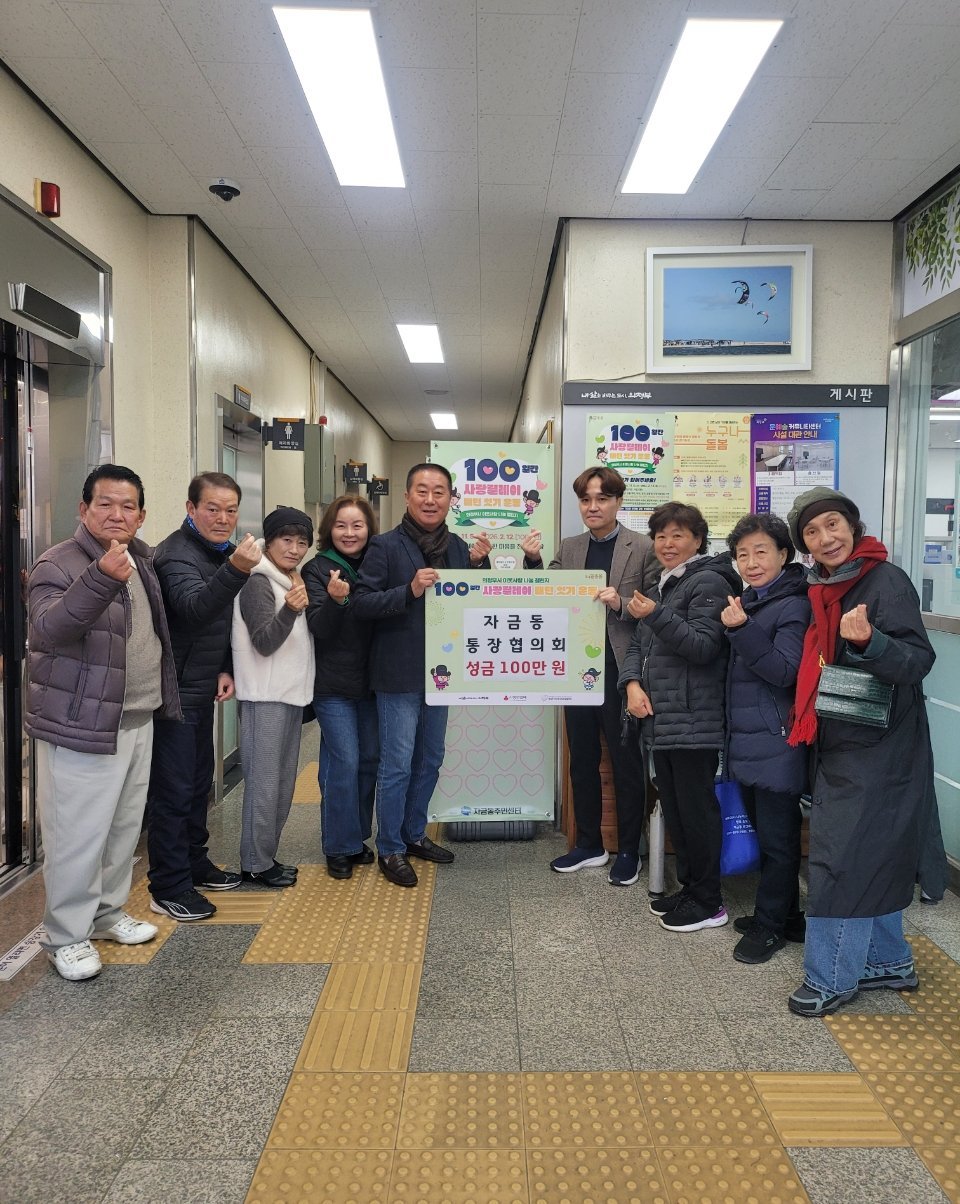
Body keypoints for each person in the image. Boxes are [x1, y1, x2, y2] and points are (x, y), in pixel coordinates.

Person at [784, 487, 945, 1016]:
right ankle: (887, 961)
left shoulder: (885, 581)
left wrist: (870, 642)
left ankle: (830, 977)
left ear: (853, 526)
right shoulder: (824, 587)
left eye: (832, 524)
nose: (825, 538)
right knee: (872, 851)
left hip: (879, 744)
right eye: (812, 532)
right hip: (846, 738)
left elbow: (917, 661)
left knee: (843, 856)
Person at [25, 465, 180, 980]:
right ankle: (65, 936)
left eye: (127, 506)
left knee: (121, 830)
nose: (117, 514)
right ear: (83, 509)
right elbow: (48, 629)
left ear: (141, 514)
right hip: (81, 724)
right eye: (105, 504)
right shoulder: (59, 562)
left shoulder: (142, 558)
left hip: (135, 715)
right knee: (76, 836)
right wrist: (99, 579)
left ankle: (106, 914)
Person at [352, 464, 491, 887]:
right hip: (398, 673)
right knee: (397, 764)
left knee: (430, 758)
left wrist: (480, 566)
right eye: (423, 491)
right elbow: (361, 603)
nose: (431, 500)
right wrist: (408, 591)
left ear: (451, 498)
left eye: (439, 492)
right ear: (407, 496)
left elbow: (474, 603)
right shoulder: (384, 546)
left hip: (443, 675)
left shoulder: (458, 547)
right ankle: (390, 847)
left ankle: (414, 834)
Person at [523, 466, 658, 886]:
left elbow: (656, 606)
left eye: (602, 498)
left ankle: (630, 851)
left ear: (618, 501)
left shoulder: (643, 547)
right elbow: (545, 596)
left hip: (621, 670)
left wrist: (621, 602)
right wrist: (533, 562)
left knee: (625, 761)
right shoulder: (571, 547)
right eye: (586, 500)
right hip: (576, 669)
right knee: (581, 758)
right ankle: (588, 844)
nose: (593, 507)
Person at [619, 501, 741, 932]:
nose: (667, 544)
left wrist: (656, 614)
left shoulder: (708, 581)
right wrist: (632, 685)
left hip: (695, 719)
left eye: (678, 536)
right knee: (677, 808)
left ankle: (709, 902)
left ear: (698, 540)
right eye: (661, 536)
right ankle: (691, 889)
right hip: (663, 718)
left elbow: (704, 647)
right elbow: (637, 646)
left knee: (697, 811)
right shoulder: (663, 585)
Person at [147, 471, 261, 921]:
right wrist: (237, 570)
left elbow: (220, 622)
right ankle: (168, 884)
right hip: (174, 692)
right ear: (191, 509)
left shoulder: (217, 552)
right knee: (174, 790)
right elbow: (195, 608)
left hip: (199, 684)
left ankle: (194, 862)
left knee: (197, 784)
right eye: (212, 509)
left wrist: (224, 667)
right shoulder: (176, 553)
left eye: (230, 510)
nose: (222, 518)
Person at [720, 513, 810, 964]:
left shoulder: (793, 604)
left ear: (783, 554)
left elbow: (784, 671)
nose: (751, 563)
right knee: (770, 835)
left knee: (778, 841)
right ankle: (788, 917)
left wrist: (740, 630)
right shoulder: (753, 601)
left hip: (778, 740)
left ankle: (770, 927)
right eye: (742, 555)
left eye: (761, 552)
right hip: (754, 740)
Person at [233, 506, 315, 887]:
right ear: (270, 541)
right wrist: (291, 611)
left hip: (289, 695)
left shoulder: (289, 578)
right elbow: (264, 642)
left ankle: (266, 856)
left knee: (281, 785)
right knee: (264, 786)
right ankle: (254, 862)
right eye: (286, 540)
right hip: (264, 697)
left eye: (302, 542)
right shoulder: (258, 581)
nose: (294, 549)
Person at [303, 495, 379, 880]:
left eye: (357, 525)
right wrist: (336, 601)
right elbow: (319, 627)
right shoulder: (317, 569)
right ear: (329, 530)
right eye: (341, 525)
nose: (349, 533)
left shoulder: (378, 564)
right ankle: (337, 844)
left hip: (373, 682)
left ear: (369, 529)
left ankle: (355, 837)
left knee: (368, 761)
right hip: (332, 685)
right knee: (343, 762)